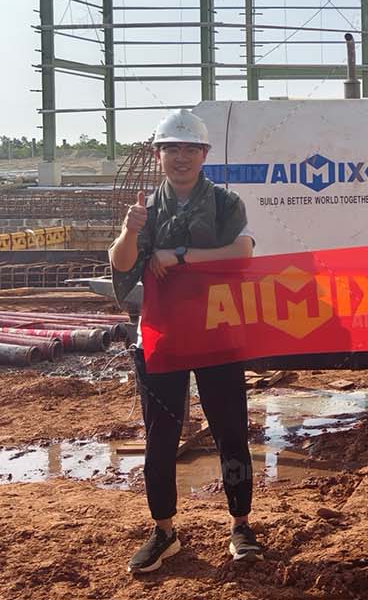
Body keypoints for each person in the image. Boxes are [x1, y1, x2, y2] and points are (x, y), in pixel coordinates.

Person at [109, 109, 261, 573]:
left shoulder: (225, 203)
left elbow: (243, 253)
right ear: (158, 155)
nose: (181, 157)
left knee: (230, 431)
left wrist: (178, 255)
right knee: (160, 437)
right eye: (171, 148)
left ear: (204, 155)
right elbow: (120, 264)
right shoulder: (146, 210)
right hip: (162, 339)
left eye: (189, 149)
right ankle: (164, 530)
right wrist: (130, 231)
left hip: (218, 335)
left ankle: (240, 524)